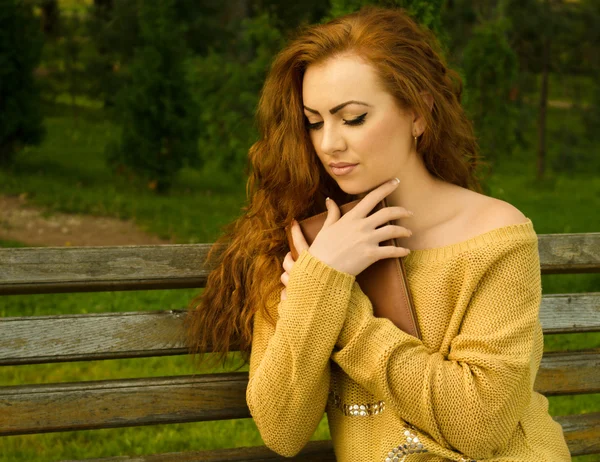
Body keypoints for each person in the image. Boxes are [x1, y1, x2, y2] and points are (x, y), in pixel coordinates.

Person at [184, 6, 571, 462]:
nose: (329, 142)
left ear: (418, 113)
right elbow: (281, 429)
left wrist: (338, 306)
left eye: (352, 118)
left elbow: (480, 424)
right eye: (314, 121)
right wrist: (323, 275)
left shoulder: (494, 236)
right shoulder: (305, 243)